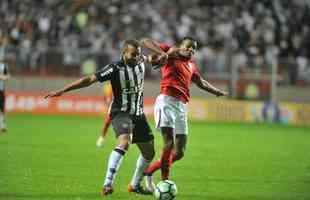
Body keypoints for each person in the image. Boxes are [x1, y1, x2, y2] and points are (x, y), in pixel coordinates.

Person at [44, 39, 168, 196]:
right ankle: (108, 183)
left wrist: (162, 56)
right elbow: (89, 79)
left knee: (149, 153)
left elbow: (153, 58)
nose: (137, 57)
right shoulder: (114, 68)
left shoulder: (141, 60)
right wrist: (63, 90)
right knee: (124, 142)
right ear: (124, 53)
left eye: (138, 54)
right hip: (120, 112)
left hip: (138, 113)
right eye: (133, 54)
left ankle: (135, 185)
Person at [141, 37, 227, 192]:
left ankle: (148, 172)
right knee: (169, 143)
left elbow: (201, 82)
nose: (191, 50)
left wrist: (216, 92)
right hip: (166, 101)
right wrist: (164, 54)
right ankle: (165, 181)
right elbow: (145, 41)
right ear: (181, 47)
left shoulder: (191, 66)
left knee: (179, 152)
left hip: (181, 106)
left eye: (194, 49)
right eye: (188, 47)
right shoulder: (171, 52)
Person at [96, 82, 113, 147]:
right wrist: (107, 102)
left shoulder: (119, 85)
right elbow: (105, 97)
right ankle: (102, 137)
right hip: (111, 107)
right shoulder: (107, 87)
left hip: (118, 106)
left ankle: (129, 139)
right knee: (107, 123)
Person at [0, 37, 10, 133]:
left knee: (2, 108)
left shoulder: (3, 66)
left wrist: (2, 77)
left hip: (1, 90)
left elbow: (8, 76)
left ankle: (2, 125)